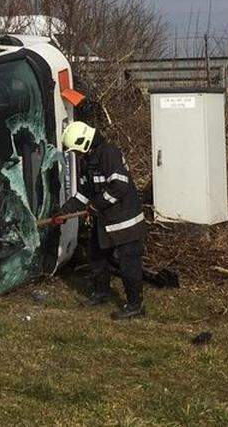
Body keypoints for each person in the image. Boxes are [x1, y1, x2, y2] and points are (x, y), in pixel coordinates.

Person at [58, 121, 147, 320]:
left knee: (128, 263)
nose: (76, 155)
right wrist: (64, 212)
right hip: (105, 221)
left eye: (75, 150)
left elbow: (119, 186)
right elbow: (84, 193)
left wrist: (95, 206)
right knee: (97, 257)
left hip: (125, 221)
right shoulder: (88, 160)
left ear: (83, 142)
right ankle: (102, 293)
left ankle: (135, 305)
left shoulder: (108, 153)